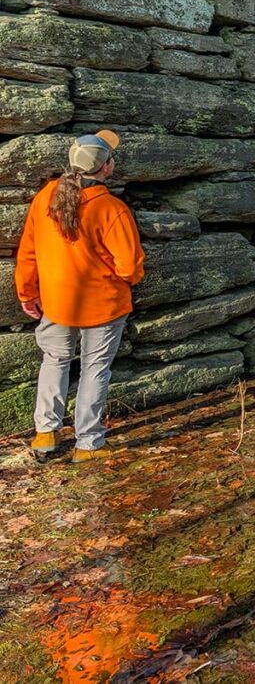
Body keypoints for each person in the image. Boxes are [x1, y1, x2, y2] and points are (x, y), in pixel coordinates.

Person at [15, 130, 145, 463]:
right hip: (103, 304)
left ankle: (45, 433)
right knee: (94, 369)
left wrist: (27, 292)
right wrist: (128, 279)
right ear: (106, 168)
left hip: (57, 303)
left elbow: (28, 250)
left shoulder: (46, 197)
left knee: (54, 361)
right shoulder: (111, 209)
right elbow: (130, 266)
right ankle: (88, 444)